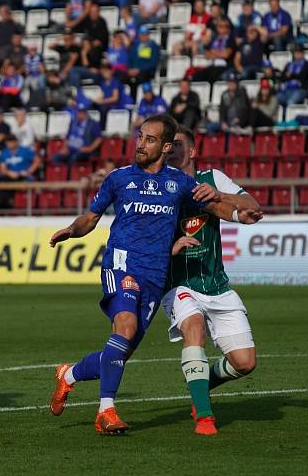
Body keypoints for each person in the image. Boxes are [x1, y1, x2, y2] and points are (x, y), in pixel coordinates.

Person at [47, 114, 262, 435]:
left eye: (149, 139)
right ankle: (106, 411)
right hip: (120, 264)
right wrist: (71, 229)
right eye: (139, 137)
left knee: (122, 348)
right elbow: (90, 218)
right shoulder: (119, 178)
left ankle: (70, 375)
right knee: (126, 325)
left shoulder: (179, 182)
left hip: (154, 275)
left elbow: (213, 206)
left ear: (164, 147)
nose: (140, 144)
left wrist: (238, 213)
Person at [163, 125, 262, 435]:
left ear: (193, 151)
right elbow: (143, 235)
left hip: (216, 285)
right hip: (179, 283)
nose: (172, 150)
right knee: (193, 327)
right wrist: (171, 247)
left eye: (178, 144)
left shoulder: (212, 179)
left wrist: (223, 198)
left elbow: (253, 207)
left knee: (245, 362)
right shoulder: (159, 186)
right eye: (169, 145)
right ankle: (204, 416)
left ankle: (201, 383)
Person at [126, 26, 160, 91]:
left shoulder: (153, 46)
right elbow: (130, 59)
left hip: (146, 72)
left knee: (138, 80)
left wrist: (139, 70)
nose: (143, 36)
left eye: (145, 34)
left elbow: (153, 63)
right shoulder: (135, 45)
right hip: (133, 71)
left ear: (148, 35)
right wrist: (129, 69)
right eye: (141, 34)